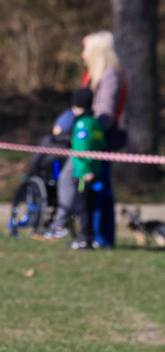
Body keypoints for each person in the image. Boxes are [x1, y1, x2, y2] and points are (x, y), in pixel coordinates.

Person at [43, 30, 127, 248]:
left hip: (96, 142)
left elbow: (104, 114)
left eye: (86, 50)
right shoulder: (94, 75)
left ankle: (91, 235)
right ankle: (92, 235)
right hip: (89, 139)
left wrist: (83, 130)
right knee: (90, 187)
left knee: (91, 187)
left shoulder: (109, 76)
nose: (82, 55)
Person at [63, 88, 106, 250]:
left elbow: (81, 149)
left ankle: (85, 238)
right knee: (91, 205)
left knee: (83, 206)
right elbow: (102, 146)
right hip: (96, 169)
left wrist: (86, 169)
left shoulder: (81, 124)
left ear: (77, 106)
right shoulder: (96, 123)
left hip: (84, 173)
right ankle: (90, 236)